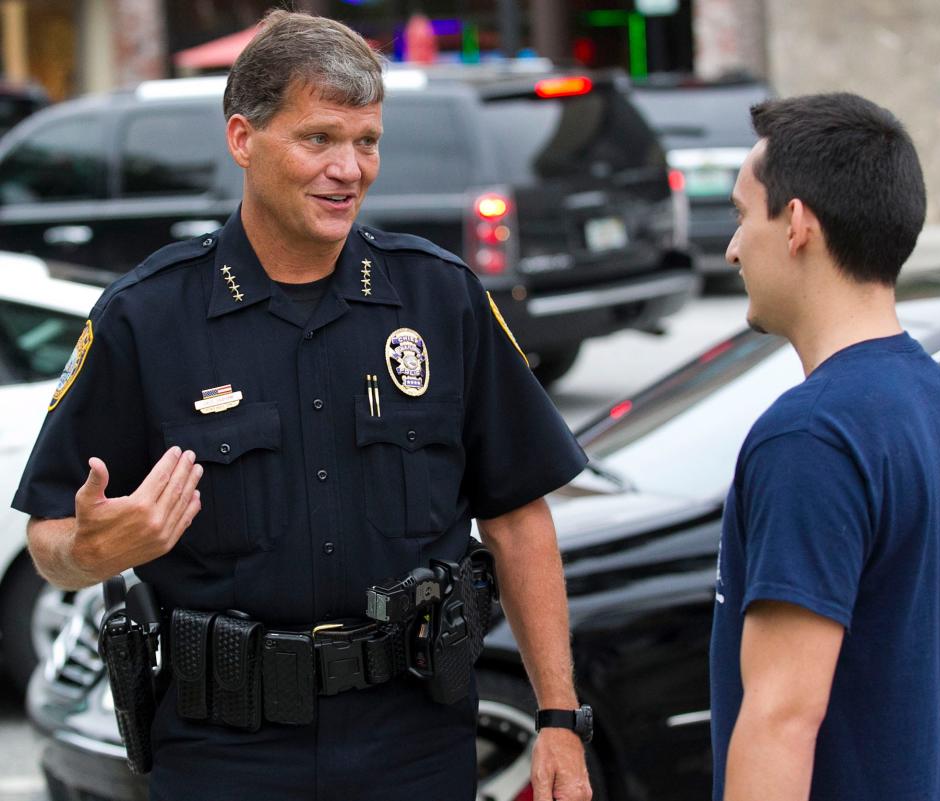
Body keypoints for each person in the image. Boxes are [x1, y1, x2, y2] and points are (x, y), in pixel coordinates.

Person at [14, 11, 593, 801]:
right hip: (227, 751)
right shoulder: (146, 318)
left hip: (414, 738)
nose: (349, 168)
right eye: (319, 138)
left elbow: (519, 516)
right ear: (243, 139)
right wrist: (94, 549)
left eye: (367, 141)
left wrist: (559, 716)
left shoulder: (437, 297)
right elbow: (49, 535)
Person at [710, 91, 940, 801]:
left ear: (796, 224)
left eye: (740, 214)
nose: (732, 249)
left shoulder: (811, 437)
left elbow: (782, 717)